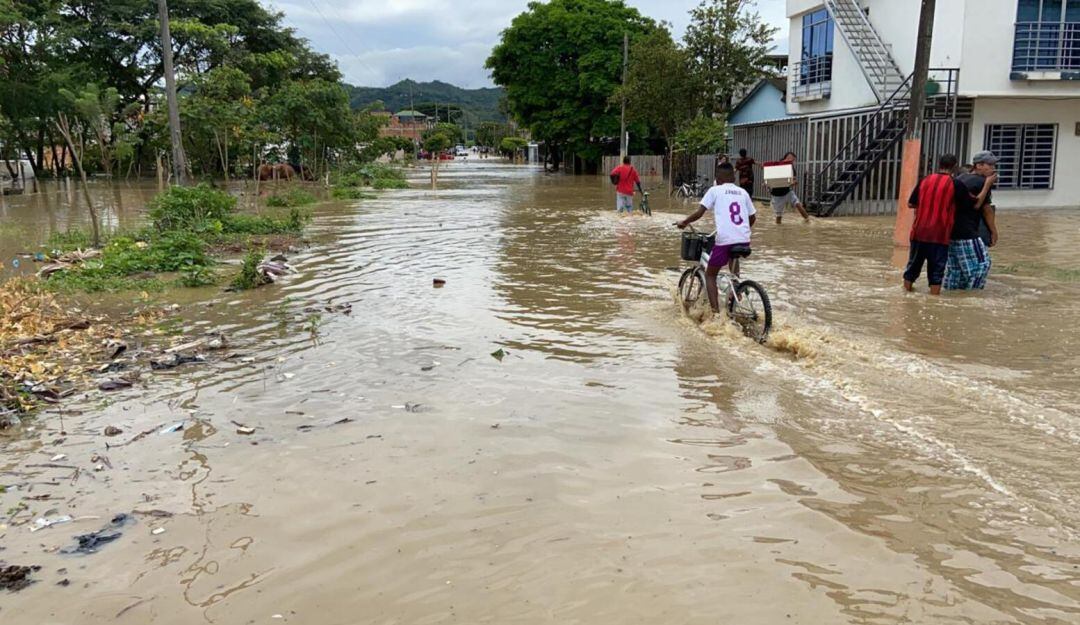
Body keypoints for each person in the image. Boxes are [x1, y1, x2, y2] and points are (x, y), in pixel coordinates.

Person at [676, 163, 757, 312]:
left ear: (717, 179)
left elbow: (699, 213)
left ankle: (716, 315)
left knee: (710, 275)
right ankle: (736, 289)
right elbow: (752, 217)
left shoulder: (714, 190)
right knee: (733, 256)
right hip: (744, 239)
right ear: (734, 178)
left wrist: (684, 222)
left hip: (725, 239)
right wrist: (741, 231)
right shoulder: (743, 192)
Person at [903, 154, 967, 295]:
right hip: (940, 234)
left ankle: (905, 294)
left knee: (912, 267)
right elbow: (968, 205)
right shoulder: (956, 184)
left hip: (918, 232)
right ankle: (934, 300)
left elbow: (911, 203)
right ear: (954, 166)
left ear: (939, 164)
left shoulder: (925, 180)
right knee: (936, 271)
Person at [945, 151, 999, 290]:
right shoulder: (982, 182)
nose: (993, 169)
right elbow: (985, 208)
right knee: (982, 265)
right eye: (990, 165)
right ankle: (972, 294)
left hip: (950, 232)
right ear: (978, 166)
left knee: (955, 271)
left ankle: (953, 296)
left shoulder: (961, 177)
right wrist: (993, 231)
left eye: (994, 165)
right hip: (967, 232)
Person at [764, 151, 810, 224]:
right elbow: (769, 178)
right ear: (785, 158)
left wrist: (794, 182)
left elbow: (792, 181)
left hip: (787, 191)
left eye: (793, 159)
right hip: (776, 194)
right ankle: (778, 229)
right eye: (789, 158)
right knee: (779, 216)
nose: (791, 160)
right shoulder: (776, 166)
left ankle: (808, 221)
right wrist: (766, 184)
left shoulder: (792, 169)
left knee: (798, 204)